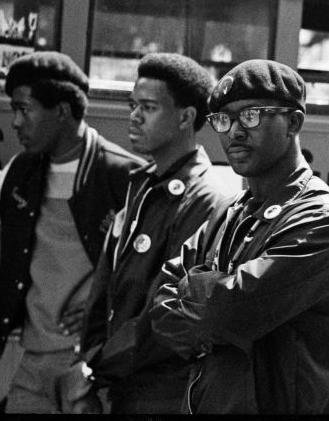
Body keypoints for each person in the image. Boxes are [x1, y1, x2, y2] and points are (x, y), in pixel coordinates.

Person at [149, 59, 329, 414]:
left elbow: (227, 311)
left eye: (252, 115)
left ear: (293, 122)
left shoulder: (323, 220)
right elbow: (160, 304)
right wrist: (211, 297)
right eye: (224, 119)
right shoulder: (228, 212)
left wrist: (201, 300)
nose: (234, 131)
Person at [56, 53, 235, 413]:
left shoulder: (205, 198)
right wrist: (88, 364)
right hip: (125, 386)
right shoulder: (143, 185)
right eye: (133, 104)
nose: (134, 115)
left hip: (165, 394)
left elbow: (168, 313)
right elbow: (105, 291)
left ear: (186, 117)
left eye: (149, 107)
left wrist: (93, 368)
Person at [0, 51, 143, 413]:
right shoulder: (22, 171)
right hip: (32, 355)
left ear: (61, 111)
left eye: (24, 109)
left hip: (91, 361)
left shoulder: (125, 175)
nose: (15, 122)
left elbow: (156, 268)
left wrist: (107, 304)